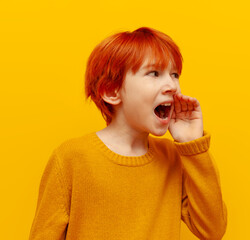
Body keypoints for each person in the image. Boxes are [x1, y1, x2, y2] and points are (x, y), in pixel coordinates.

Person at [29, 27, 227, 240]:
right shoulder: (71, 158)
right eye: (154, 73)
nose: (172, 85)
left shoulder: (173, 158)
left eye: (174, 75)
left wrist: (192, 145)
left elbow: (212, 230)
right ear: (112, 91)